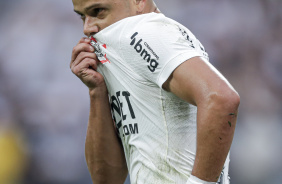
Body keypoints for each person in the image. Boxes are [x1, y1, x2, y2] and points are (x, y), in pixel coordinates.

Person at [70, 0, 240, 183]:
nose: (87, 28)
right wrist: (96, 91)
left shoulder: (146, 32)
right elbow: (107, 179)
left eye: (98, 11)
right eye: (82, 16)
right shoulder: (129, 51)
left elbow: (221, 99)